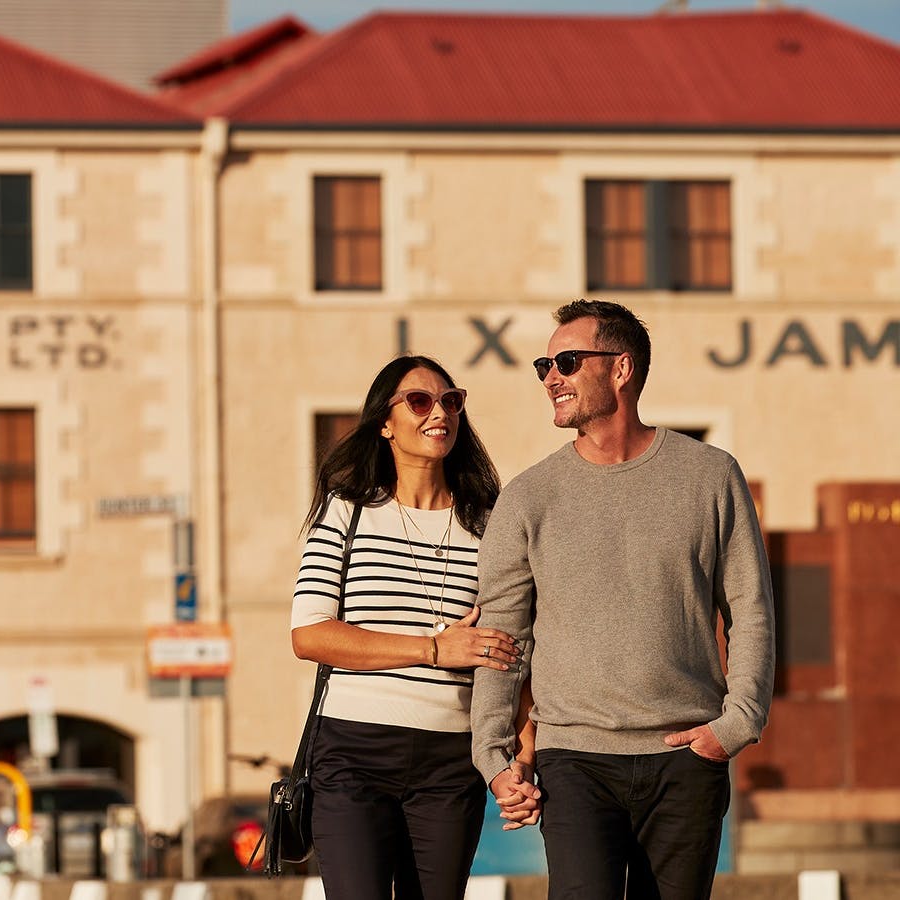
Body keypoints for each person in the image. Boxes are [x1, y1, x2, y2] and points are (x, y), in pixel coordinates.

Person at [470, 300, 775, 900]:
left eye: (566, 361)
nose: (550, 377)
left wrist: (738, 722)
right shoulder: (529, 497)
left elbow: (751, 609)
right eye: (543, 365)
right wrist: (495, 755)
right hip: (573, 759)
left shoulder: (710, 475)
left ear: (621, 368)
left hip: (687, 757)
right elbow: (503, 639)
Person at [291, 354, 531, 900]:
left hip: (451, 761)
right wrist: (433, 648)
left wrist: (522, 752)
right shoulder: (347, 511)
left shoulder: (490, 525)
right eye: (420, 401)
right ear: (385, 422)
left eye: (451, 400)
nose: (439, 412)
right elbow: (310, 634)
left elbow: (513, 651)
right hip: (353, 753)